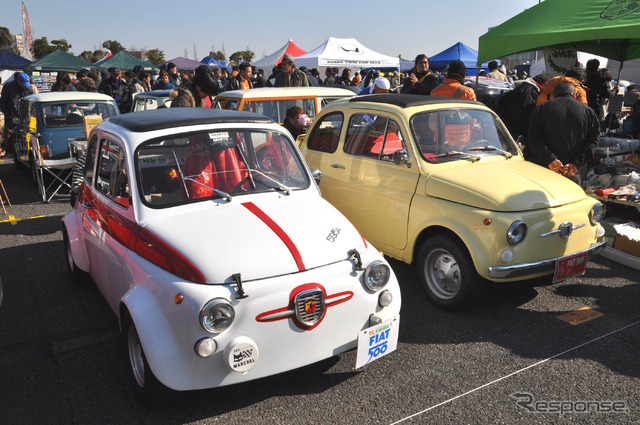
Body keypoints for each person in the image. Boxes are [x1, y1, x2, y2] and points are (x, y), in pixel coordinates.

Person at [528, 81, 599, 184]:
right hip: (573, 171)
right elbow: (593, 141)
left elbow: (534, 139)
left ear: (553, 95)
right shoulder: (588, 112)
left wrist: (550, 159)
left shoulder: (541, 109)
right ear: (574, 95)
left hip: (546, 169)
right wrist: (576, 163)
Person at [495, 72, 551, 158]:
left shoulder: (524, 88)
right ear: (545, 84)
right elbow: (522, 116)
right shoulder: (529, 92)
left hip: (509, 130)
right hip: (515, 134)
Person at [0, 72, 34, 156]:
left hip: (25, 115)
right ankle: (12, 152)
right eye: (22, 83)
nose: (24, 86)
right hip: (11, 115)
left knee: (25, 133)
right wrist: (9, 115)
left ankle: (26, 150)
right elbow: (2, 103)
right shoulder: (8, 87)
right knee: (11, 134)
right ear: (18, 81)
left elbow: (32, 102)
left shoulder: (29, 88)